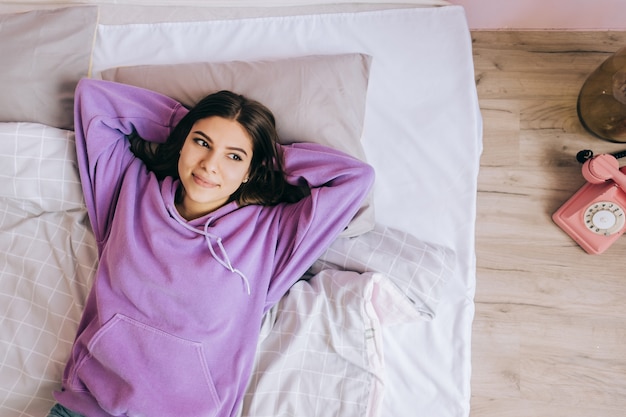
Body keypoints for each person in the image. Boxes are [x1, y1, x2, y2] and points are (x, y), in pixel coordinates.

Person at [48, 79, 374, 417]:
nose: (209, 164)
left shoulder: (269, 234)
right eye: (201, 142)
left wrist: (267, 156)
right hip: (85, 409)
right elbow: (95, 100)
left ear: (252, 169)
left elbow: (354, 179)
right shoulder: (128, 190)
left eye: (234, 156)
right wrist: (183, 125)